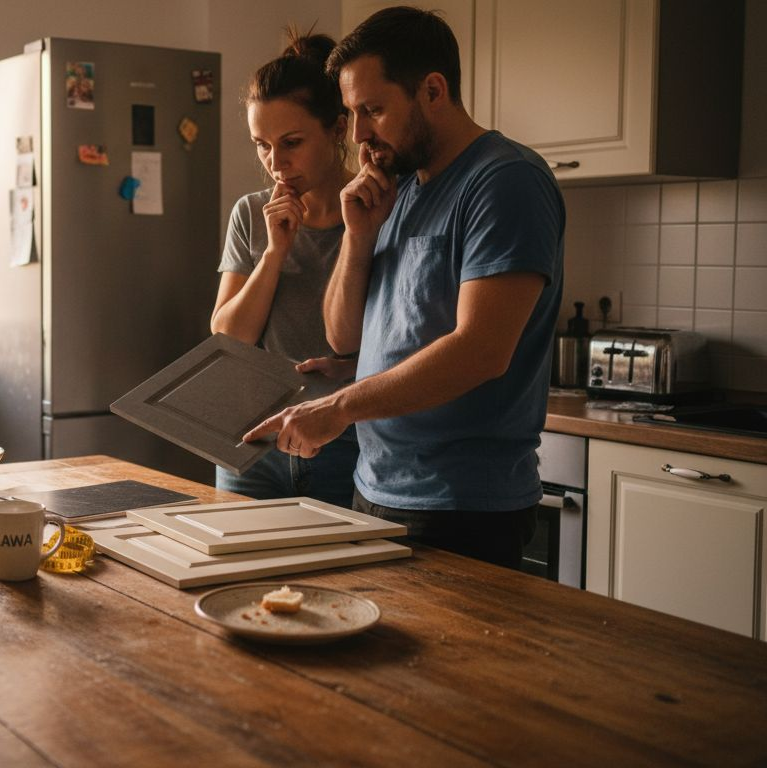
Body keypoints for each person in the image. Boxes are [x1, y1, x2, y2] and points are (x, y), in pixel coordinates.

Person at [242, 6, 565, 570]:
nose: (360, 133)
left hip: (463, 505)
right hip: (377, 489)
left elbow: (482, 350)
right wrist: (359, 239)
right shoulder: (401, 187)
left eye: (373, 110)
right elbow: (345, 341)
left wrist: (338, 409)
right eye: (351, 112)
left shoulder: (505, 181)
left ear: (433, 90)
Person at [210, 30, 359, 506]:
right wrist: (274, 252)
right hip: (250, 444)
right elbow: (229, 338)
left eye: (291, 142)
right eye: (262, 145)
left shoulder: (376, 212)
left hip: (343, 446)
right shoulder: (251, 214)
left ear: (338, 128)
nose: (276, 163)